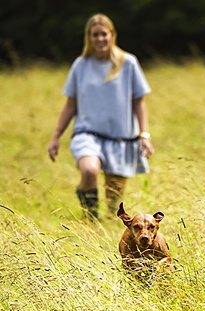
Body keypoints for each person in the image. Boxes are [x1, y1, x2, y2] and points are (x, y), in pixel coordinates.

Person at [48, 13, 154, 220]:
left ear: (112, 35)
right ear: (89, 37)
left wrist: (144, 135)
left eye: (103, 34)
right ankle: (90, 217)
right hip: (87, 133)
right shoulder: (81, 65)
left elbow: (139, 102)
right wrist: (56, 136)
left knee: (114, 192)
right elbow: (71, 103)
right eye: (95, 35)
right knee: (89, 170)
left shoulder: (128, 63)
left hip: (121, 137)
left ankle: (109, 220)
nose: (100, 39)